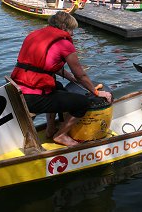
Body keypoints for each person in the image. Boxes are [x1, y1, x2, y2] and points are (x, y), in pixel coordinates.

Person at [10, 12, 113, 146]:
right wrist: (97, 92)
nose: (72, 34)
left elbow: (44, 66)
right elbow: (81, 75)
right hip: (32, 99)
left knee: (57, 86)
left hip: (16, 92)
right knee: (82, 103)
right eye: (71, 30)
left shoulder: (34, 35)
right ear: (64, 27)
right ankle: (61, 135)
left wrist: (70, 78)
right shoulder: (63, 43)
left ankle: (50, 128)